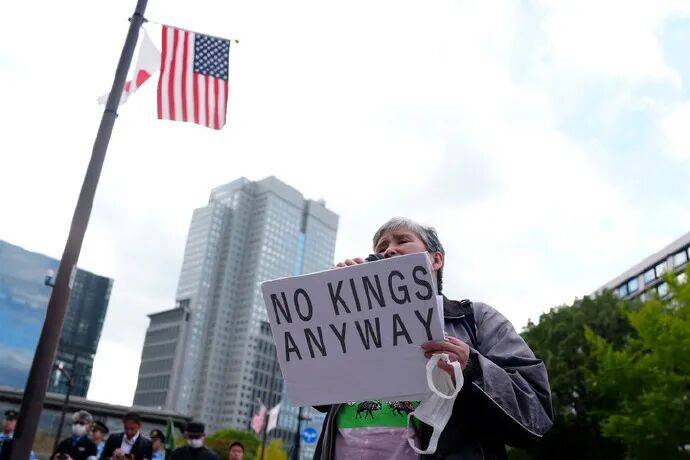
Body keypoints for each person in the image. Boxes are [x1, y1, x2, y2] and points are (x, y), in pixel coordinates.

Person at [313, 217, 553, 459]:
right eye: (381, 247)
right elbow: (318, 396)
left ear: (436, 259)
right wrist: (335, 309)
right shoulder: (353, 326)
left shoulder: (478, 320)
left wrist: (472, 369)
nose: (388, 250)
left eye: (402, 241)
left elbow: (535, 414)